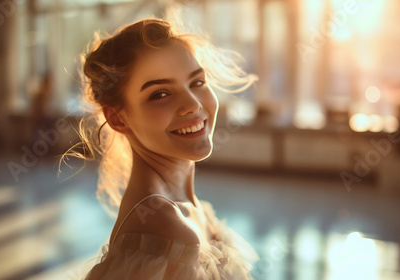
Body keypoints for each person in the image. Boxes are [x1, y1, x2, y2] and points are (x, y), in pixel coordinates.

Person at [64, 18, 258, 279]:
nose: (192, 104)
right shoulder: (167, 232)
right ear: (118, 118)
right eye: (160, 94)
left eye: (197, 82)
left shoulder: (181, 209)